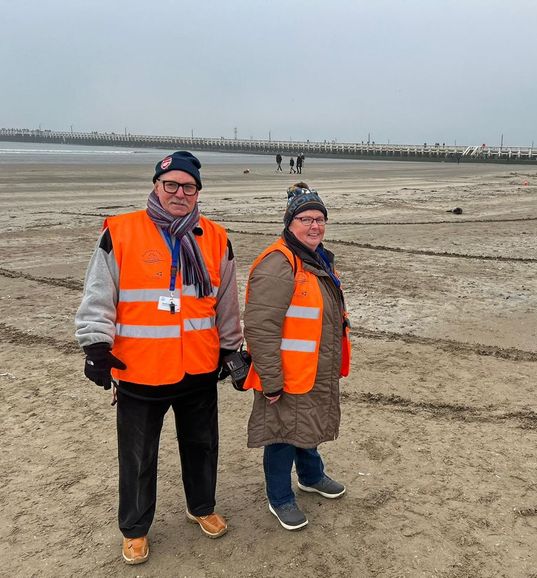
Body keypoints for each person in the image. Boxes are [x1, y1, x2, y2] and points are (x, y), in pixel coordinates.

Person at [75, 151, 242, 564]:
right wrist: (96, 346)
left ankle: (201, 507)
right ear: (156, 186)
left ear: (198, 191)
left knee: (202, 446)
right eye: (171, 185)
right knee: (137, 455)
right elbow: (99, 294)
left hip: (198, 368)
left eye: (188, 186)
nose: (179, 193)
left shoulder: (216, 237)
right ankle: (134, 528)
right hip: (140, 370)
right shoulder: (121, 231)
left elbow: (226, 302)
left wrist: (231, 348)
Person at [242, 183, 351, 531]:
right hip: (285, 374)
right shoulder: (279, 263)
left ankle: (311, 476)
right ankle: (280, 498)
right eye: (306, 218)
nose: (315, 226)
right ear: (290, 222)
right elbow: (260, 327)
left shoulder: (315, 259)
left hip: (313, 368)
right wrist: (271, 380)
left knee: (308, 426)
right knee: (281, 435)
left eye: (320, 219)